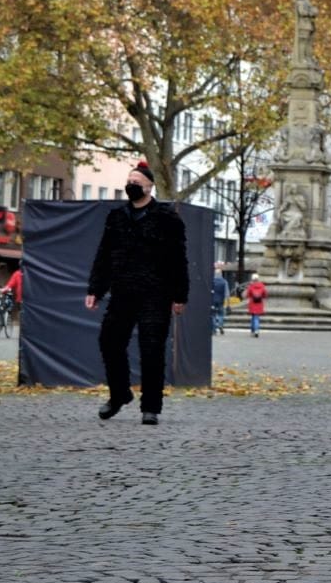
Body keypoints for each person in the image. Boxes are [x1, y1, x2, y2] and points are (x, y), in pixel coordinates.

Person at [85, 160, 189, 426]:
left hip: (156, 293)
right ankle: (119, 394)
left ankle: (151, 407)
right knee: (109, 342)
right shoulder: (117, 217)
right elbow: (103, 256)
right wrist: (95, 290)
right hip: (122, 292)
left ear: (150, 186)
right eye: (129, 182)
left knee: (152, 349)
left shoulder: (167, 218)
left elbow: (179, 259)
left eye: (137, 182)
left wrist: (180, 295)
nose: (132, 185)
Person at [244, 273, 267, 337]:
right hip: (259, 303)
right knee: (257, 317)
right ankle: (256, 330)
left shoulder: (251, 286)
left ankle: (253, 330)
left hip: (252, 303)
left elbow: (247, 295)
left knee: (253, 317)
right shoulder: (262, 285)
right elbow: (265, 294)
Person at [210, 266, 228, 335]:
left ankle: (214, 329)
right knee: (221, 314)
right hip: (221, 300)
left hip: (213, 300)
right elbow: (227, 292)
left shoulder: (212, 281)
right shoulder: (224, 281)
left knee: (213, 315)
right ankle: (220, 325)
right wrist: (227, 302)